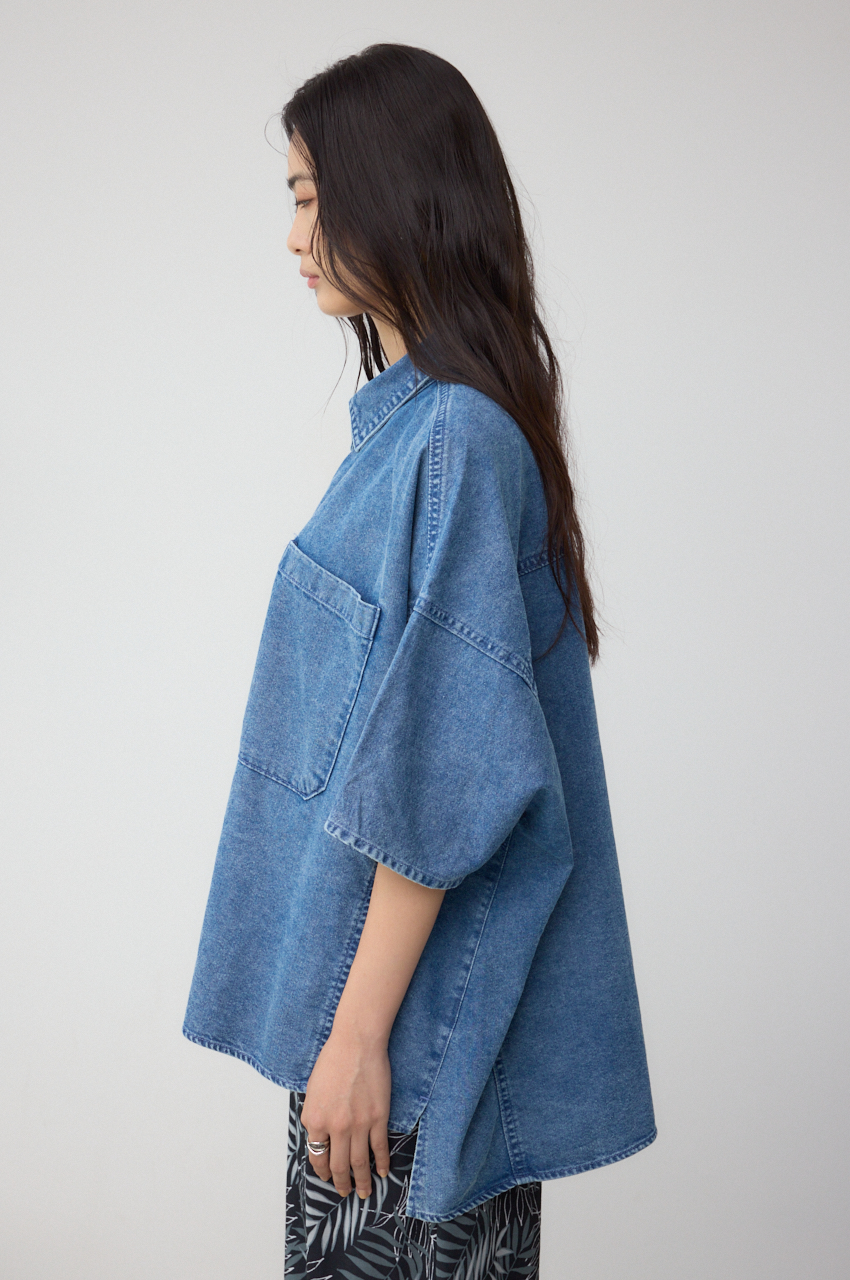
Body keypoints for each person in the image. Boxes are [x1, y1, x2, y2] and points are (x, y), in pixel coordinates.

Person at [183, 43, 656, 1280]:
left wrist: (356, 1038)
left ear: (389, 191)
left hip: (408, 1041)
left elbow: (447, 777)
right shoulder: (413, 435)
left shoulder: (456, 438)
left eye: (308, 194)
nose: (292, 235)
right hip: (387, 1024)